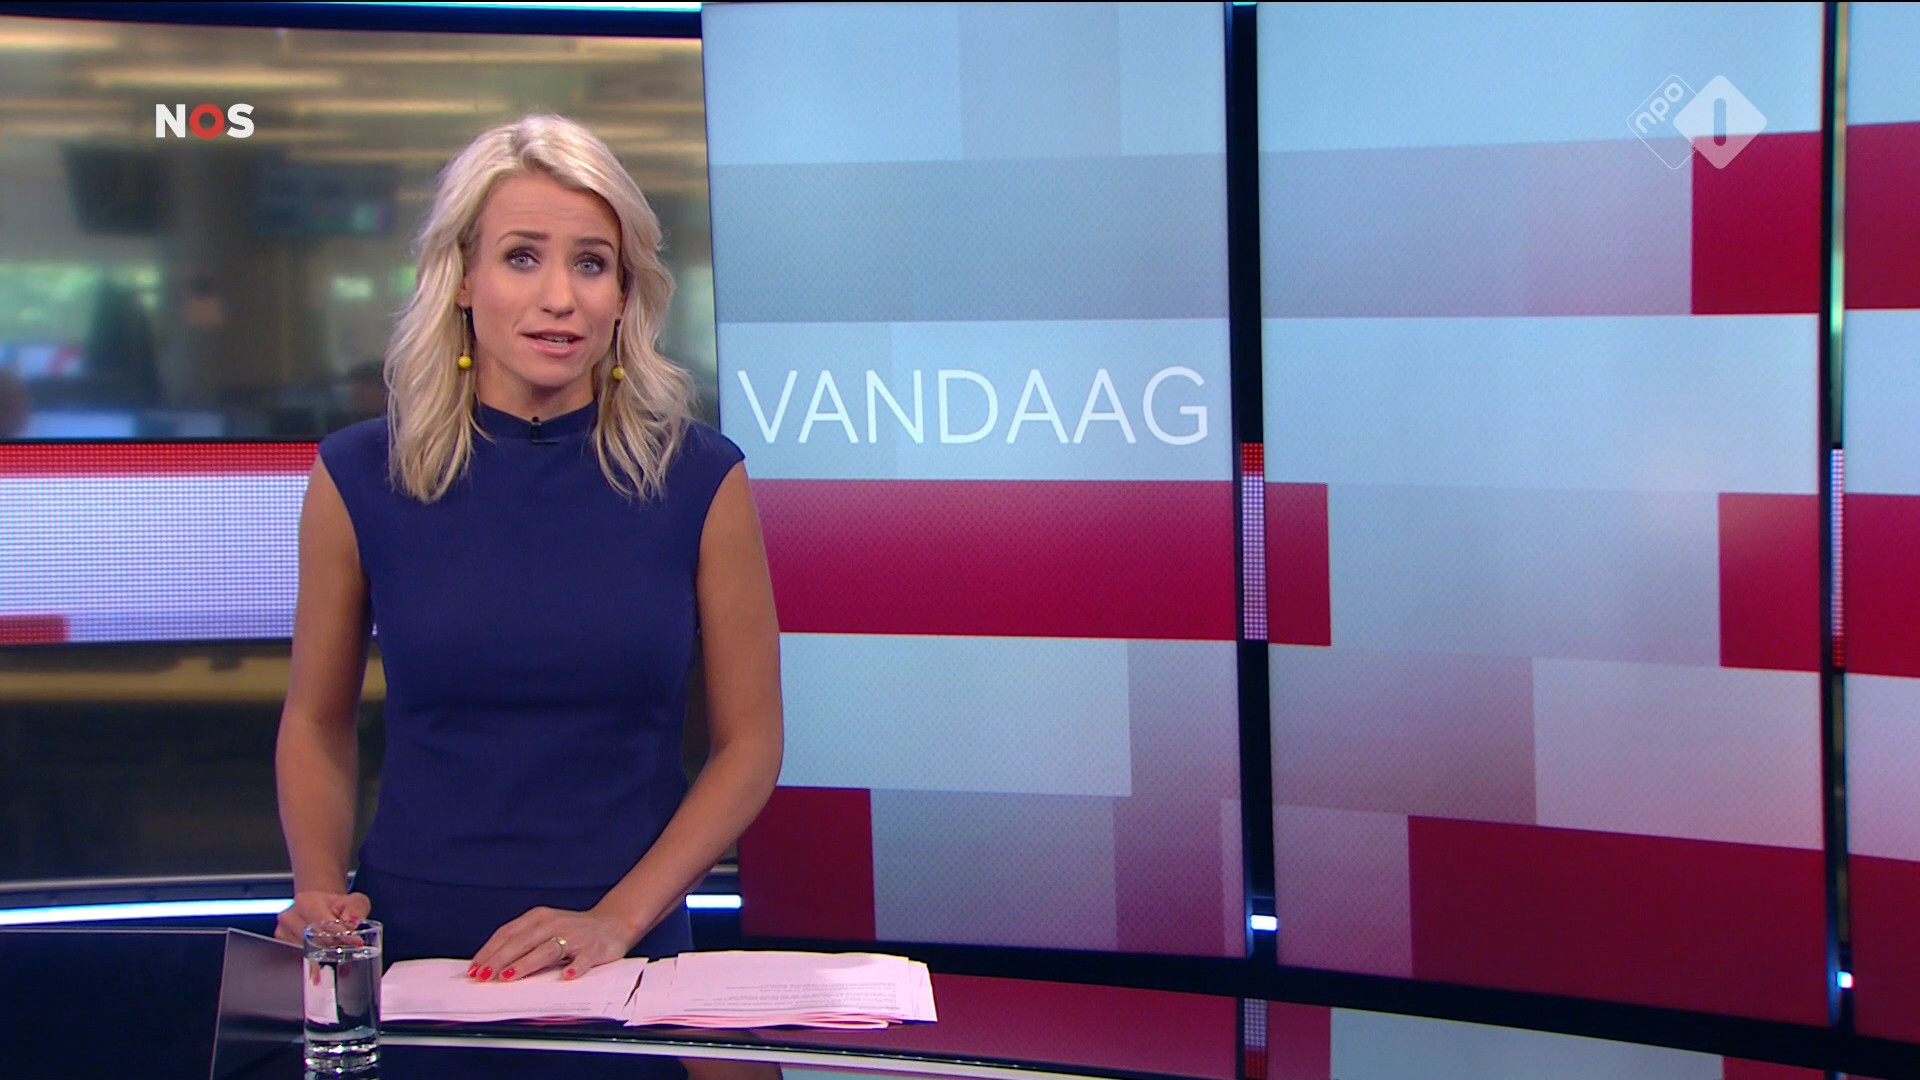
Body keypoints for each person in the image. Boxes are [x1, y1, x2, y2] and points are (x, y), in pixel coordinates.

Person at [273, 114, 783, 985]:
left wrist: (617, 920)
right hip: (415, 949)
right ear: (462, 279)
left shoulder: (700, 477)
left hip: (622, 954)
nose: (560, 297)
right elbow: (317, 721)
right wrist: (319, 891)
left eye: (591, 263)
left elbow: (751, 744)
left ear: (624, 293)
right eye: (521, 257)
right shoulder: (358, 474)